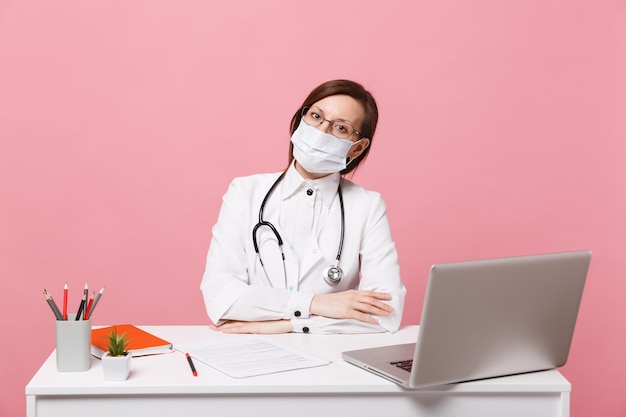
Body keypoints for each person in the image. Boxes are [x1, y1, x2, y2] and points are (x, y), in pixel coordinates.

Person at [200, 79, 406, 334]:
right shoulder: (244, 192)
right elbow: (220, 296)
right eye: (316, 116)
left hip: (329, 359)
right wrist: (316, 304)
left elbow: (386, 314)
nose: (321, 131)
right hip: (251, 353)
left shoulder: (367, 206)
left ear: (358, 147)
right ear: (300, 120)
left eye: (340, 128)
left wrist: (289, 324)